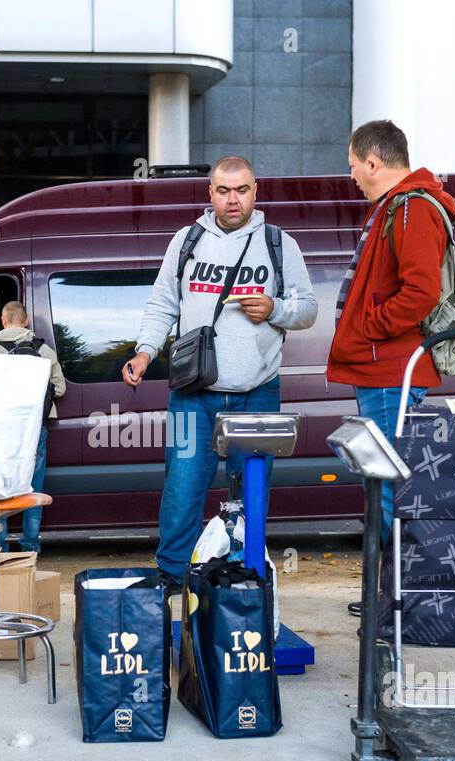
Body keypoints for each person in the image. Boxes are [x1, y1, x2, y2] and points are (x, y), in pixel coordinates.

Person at [124, 155, 317, 585]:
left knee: (251, 494)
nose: (233, 200)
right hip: (194, 392)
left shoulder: (279, 243)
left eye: (242, 190)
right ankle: (173, 579)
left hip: (257, 391)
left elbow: (307, 310)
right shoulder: (187, 240)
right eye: (224, 190)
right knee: (182, 489)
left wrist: (274, 308)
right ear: (210, 193)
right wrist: (144, 351)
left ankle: (243, 579)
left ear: (256, 191)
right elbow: (162, 304)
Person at [325, 120, 455, 616]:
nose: (353, 175)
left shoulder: (413, 208)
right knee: (380, 485)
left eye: (354, 165)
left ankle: (396, 599)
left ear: (374, 162)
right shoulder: (393, 208)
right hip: (380, 371)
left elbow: (420, 293)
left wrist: (369, 327)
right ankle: (389, 595)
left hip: (390, 373)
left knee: (388, 490)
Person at [0, 300, 66, 553]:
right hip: (35, 429)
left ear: (3, 320)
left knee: (1, 488)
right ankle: (30, 546)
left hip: (3, 430)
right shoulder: (44, 350)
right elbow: (60, 388)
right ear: (26, 320)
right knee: (33, 487)